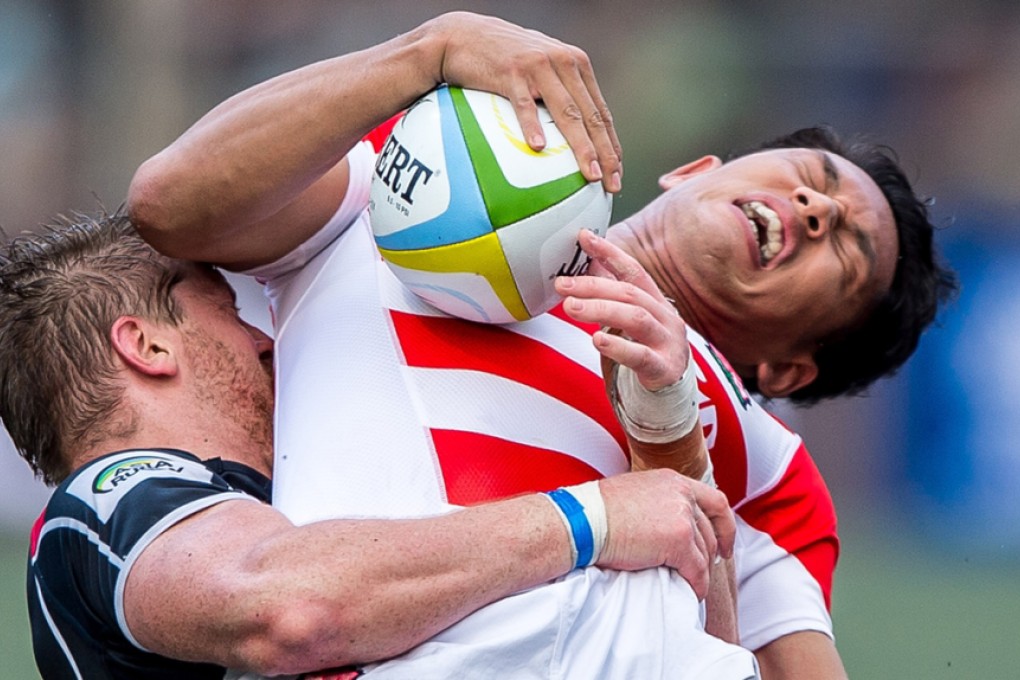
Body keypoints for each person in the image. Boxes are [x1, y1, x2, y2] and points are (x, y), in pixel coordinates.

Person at [127, 10, 957, 680]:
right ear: (694, 169)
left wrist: (672, 447)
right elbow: (168, 204)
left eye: (846, 252)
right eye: (812, 177)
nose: (816, 211)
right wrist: (428, 50)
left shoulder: (766, 463)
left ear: (787, 368)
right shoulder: (419, 186)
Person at [0, 211, 753, 679]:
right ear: (147, 347)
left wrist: (665, 433)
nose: (266, 338)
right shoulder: (104, 504)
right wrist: (591, 519)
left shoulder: (307, 506)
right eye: (229, 312)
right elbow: (286, 606)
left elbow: (705, 650)